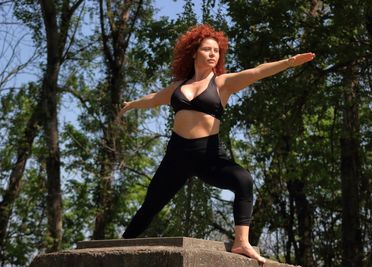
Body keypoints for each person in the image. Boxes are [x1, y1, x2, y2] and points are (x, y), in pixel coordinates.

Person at [118, 24, 315, 265]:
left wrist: (289, 61)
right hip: (177, 154)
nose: (213, 54)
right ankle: (118, 245)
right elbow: (153, 99)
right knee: (150, 205)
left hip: (208, 155)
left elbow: (257, 72)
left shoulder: (222, 84)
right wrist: (131, 104)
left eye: (217, 51)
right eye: (207, 49)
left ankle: (242, 242)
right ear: (194, 52)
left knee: (242, 179)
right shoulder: (178, 87)